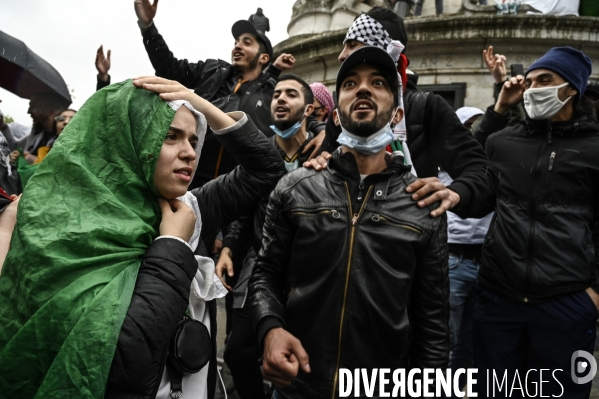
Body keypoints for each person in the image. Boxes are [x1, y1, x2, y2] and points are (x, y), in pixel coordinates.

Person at [0, 77, 285, 398]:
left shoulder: (187, 208)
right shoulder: (67, 230)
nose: (189, 153)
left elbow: (266, 169)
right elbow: (120, 361)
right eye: (170, 136)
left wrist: (199, 103)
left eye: (193, 140)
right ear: (130, 140)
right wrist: (173, 247)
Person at [249, 46, 449, 398]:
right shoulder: (295, 188)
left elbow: (432, 322)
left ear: (397, 112)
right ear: (336, 115)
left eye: (378, 83)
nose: (363, 89)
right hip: (300, 385)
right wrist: (270, 329)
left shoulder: (422, 205)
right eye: (351, 83)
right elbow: (266, 274)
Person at [472, 47, 599, 398]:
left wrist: (594, 296)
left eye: (545, 81)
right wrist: (498, 110)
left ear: (572, 88)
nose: (532, 89)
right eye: (529, 82)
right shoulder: (503, 141)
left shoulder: (594, 148)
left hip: (567, 301)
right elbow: (470, 179)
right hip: (499, 297)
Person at [322, 7, 497, 220]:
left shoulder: (427, 109)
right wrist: (318, 165)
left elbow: (481, 172)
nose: (341, 56)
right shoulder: (343, 114)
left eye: (352, 45)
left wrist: (456, 193)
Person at [132, 0, 324, 190]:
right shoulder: (211, 70)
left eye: (246, 42)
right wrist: (148, 27)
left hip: (235, 194)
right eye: (236, 42)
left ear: (264, 58)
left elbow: (298, 115)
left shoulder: (272, 91)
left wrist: (323, 131)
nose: (238, 46)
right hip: (187, 182)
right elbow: (169, 68)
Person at [217, 74, 317, 399]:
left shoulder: (324, 154)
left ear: (310, 108)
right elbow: (245, 211)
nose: (280, 99)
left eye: (291, 94)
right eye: (276, 94)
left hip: (306, 269)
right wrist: (230, 247)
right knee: (237, 350)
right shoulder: (261, 153)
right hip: (261, 263)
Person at [438, 106, 491, 397]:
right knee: (447, 337)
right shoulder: (445, 163)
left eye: (476, 125)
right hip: (454, 260)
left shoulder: (486, 165)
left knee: (471, 339)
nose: (472, 132)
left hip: (486, 263)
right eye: (467, 126)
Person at [1, 92, 70, 163]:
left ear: (50, 112)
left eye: (33, 106)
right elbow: (14, 148)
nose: (28, 111)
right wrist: (2, 126)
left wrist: (35, 161)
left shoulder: (68, 141)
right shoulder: (37, 133)